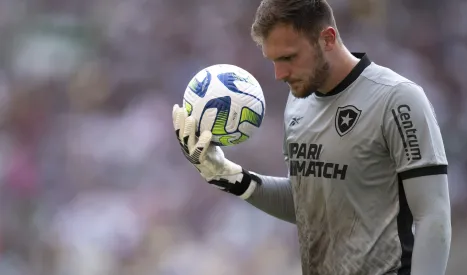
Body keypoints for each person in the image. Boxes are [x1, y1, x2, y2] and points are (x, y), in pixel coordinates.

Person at [172, 0, 452, 274]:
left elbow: (433, 215)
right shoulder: (298, 104)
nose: (279, 74)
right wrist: (230, 176)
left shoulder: (397, 98)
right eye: (272, 60)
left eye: (288, 57)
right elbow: (309, 205)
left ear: (327, 39)